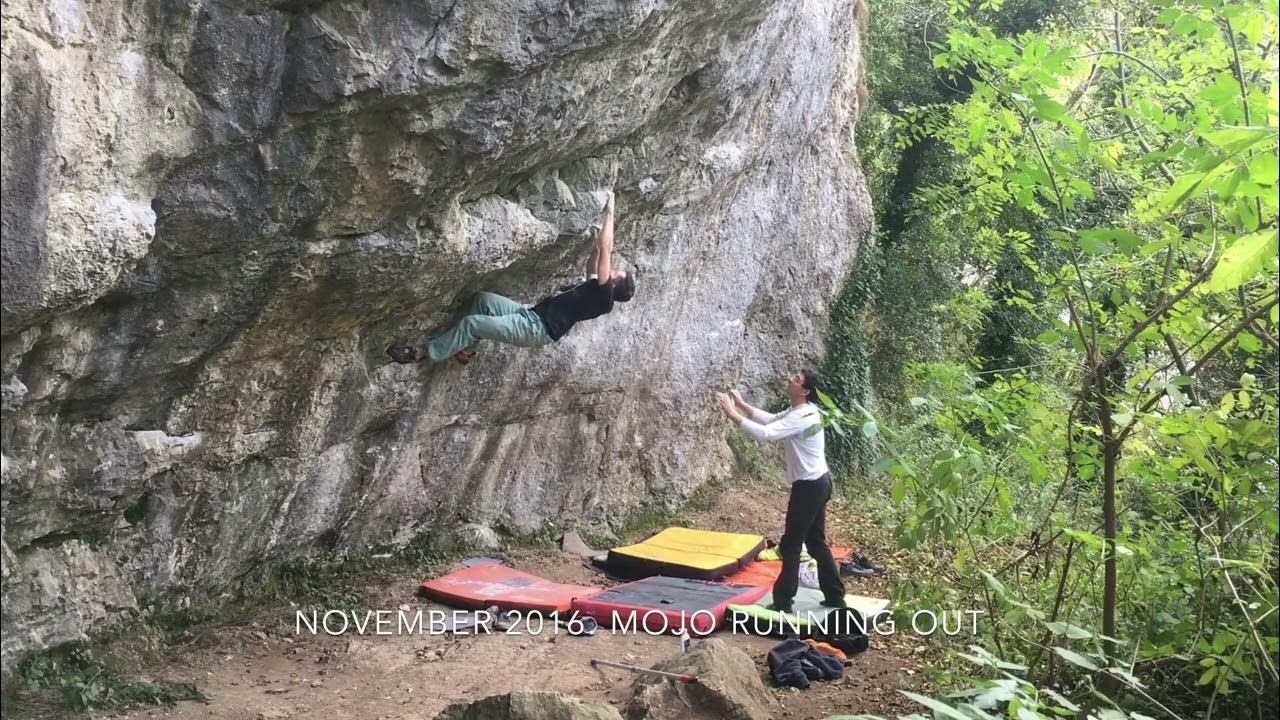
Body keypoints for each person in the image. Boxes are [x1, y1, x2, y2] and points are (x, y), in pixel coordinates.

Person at [387, 192, 635, 365]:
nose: (613, 270)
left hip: (536, 329)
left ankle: (422, 353)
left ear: (615, 285)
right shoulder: (596, 289)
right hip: (530, 313)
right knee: (483, 300)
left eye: (616, 274)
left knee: (472, 324)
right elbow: (595, 262)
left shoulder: (605, 298)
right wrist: (595, 248)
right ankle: (464, 350)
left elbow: (607, 247)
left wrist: (610, 211)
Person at [715, 370, 846, 613]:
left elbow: (767, 434)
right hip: (818, 483)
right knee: (815, 542)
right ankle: (835, 596)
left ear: (805, 391)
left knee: (792, 544)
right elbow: (772, 420)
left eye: (796, 380)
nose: (790, 380)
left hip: (809, 487)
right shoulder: (801, 410)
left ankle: (784, 601)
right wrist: (742, 405)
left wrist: (732, 413)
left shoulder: (803, 416)